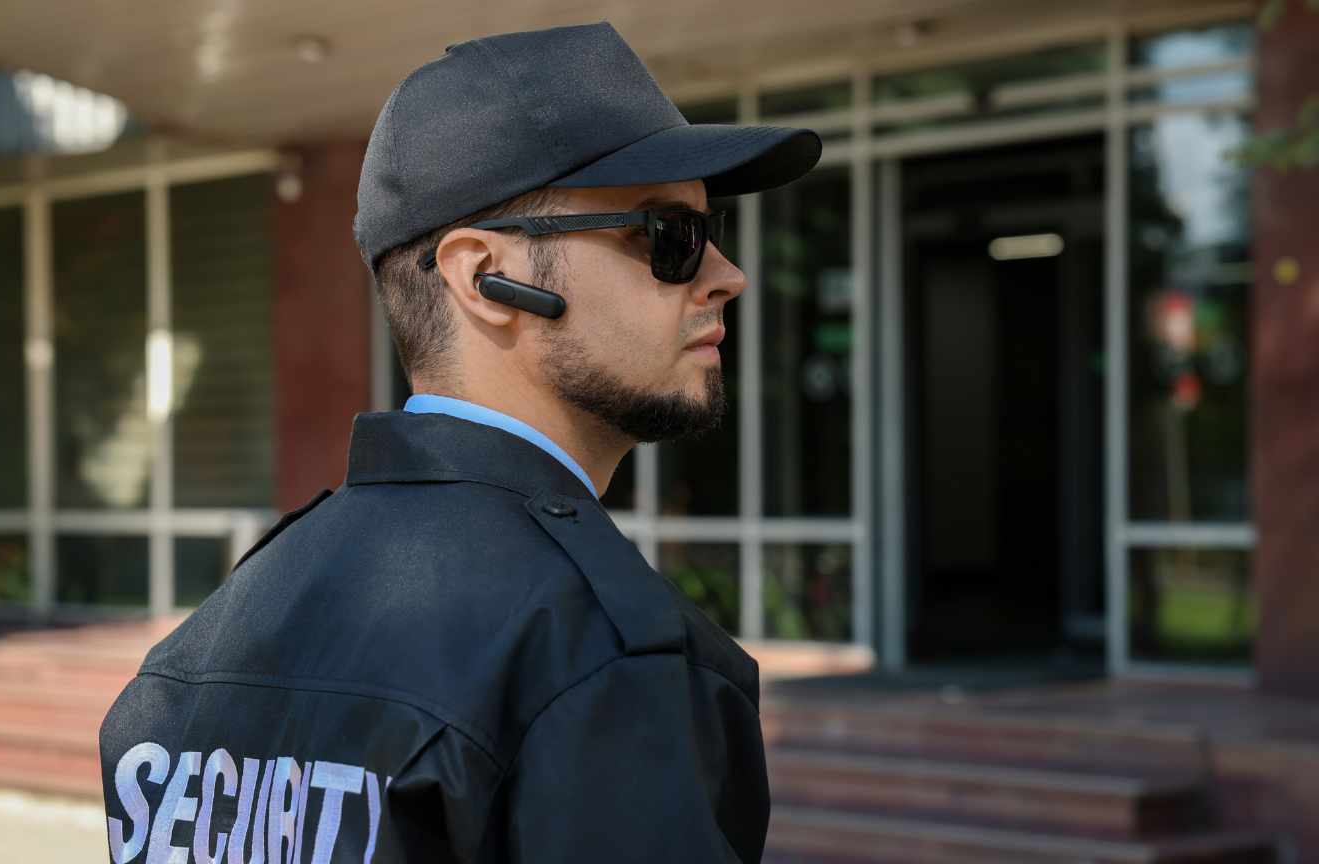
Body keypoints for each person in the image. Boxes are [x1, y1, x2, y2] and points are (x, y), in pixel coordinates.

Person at [99, 22, 820, 864]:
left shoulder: (199, 652)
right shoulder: (600, 659)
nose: (726, 274)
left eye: (711, 229)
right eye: (669, 236)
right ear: (485, 277)